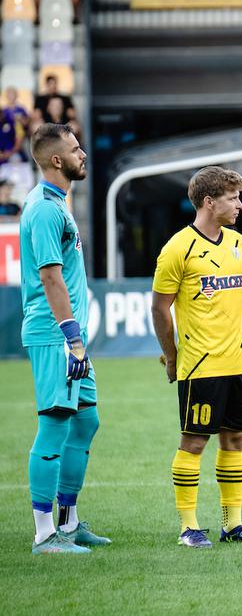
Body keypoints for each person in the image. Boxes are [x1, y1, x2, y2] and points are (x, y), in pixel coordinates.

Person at [151, 166, 242, 548]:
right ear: (209, 202)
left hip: (238, 362)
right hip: (200, 367)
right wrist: (171, 357)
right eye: (233, 198)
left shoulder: (239, 243)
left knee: (235, 440)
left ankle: (232, 525)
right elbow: (159, 308)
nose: (240, 205)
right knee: (194, 443)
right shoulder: (177, 249)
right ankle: (189, 527)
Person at [19, 123, 108, 554]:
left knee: (86, 420)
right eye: (76, 150)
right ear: (57, 160)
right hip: (55, 336)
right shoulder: (44, 209)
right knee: (54, 424)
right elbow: (50, 277)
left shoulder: (57, 203)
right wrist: (72, 339)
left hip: (70, 338)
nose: (83, 154)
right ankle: (44, 534)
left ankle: (69, 522)